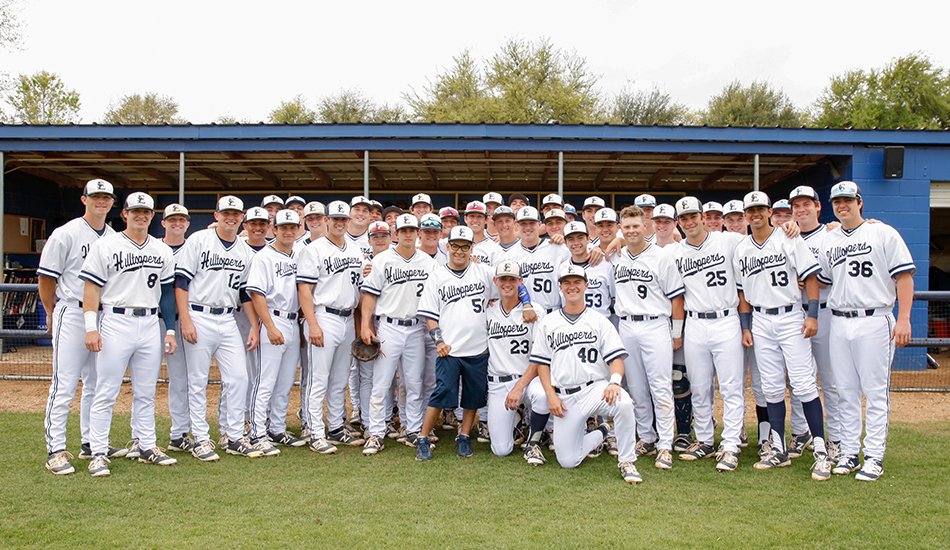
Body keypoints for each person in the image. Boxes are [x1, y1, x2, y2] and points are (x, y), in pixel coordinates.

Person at [817, 181, 915, 481]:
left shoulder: (882, 232)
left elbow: (904, 277)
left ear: (859, 202)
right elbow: (822, 280)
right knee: (844, 391)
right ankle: (849, 453)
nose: (842, 205)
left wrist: (904, 318)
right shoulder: (830, 240)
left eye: (848, 200)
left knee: (874, 392)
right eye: (837, 201)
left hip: (875, 318)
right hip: (839, 320)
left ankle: (873, 456)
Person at [732, 191, 831, 480]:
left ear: (770, 212)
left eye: (761, 209)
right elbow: (742, 293)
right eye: (751, 210)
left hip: (790, 315)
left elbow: (810, 276)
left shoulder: (788, 237)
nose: (756, 214)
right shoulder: (741, 248)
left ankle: (821, 451)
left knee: (803, 384)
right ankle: (778, 449)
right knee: (771, 387)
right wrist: (746, 326)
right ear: (746, 215)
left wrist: (812, 314)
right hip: (761, 319)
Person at [80, 192, 177, 476]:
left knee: (146, 391)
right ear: (125, 214)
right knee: (106, 391)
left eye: (146, 212)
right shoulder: (106, 245)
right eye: (135, 211)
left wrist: (170, 330)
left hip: (149, 322)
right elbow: (91, 289)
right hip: (115, 320)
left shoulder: (161, 249)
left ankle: (146, 445)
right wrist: (91, 327)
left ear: (152, 216)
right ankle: (98, 451)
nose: (141, 216)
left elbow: (167, 293)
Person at [40, 179, 121, 475]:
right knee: (64, 384)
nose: (101, 201)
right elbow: (47, 277)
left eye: (106, 197)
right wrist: (50, 311)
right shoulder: (66, 233)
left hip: (103, 314)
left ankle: (91, 443)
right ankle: (55, 450)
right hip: (73, 311)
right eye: (96, 196)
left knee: (96, 383)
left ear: (112, 202)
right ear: (84, 199)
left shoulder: (114, 237)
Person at [532, 264, 640, 483]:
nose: (572, 287)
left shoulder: (599, 321)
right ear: (560, 287)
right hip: (564, 396)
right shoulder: (548, 322)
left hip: (594, 389)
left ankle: (627, 461)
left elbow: (616, 360)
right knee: (568, 461)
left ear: (586, 285)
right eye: (567, 283)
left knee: (624, 403)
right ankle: (602, 432)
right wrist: (551, 395)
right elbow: (542, 364)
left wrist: (615, 382)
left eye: (577, 282)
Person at [176, 196, 262, 461]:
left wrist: (255, 326)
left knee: (239, 378)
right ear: (216, 216)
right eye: (226, 213)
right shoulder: (199, 240)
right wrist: (186, 320)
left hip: (227, 318)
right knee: (197, 380)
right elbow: (181, 282)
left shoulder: (245, 251)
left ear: (242, 218)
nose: (231, 217)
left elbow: (245, 294)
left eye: (236, 214)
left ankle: (233, 436)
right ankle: (201, 439)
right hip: (198, 314)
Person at [672, 197, 745, 471]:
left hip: (726, 319)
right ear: (679, 223)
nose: (689, 222)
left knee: (730, 386)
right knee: (700, 387)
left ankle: (730, 445)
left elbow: (764, 240)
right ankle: (704, 440)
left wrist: (790, 227)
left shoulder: (728, 241)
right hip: (694, 323)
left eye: (694, 216)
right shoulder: (675, 251)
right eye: (684, 218)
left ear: (704, 217)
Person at [416, 226, 499, 460]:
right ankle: (423, 437)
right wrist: (438, 341)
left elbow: (511, 283)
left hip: (478, 347)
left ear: (472, 248)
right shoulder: (437, 276)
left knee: (473, 396)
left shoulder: (484, 272)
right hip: (449, 349)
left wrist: (526, 303)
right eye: (455, 246)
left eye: (465, 246)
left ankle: (464, 436)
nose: (460, 251)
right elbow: (430, 314)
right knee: (441, 393)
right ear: (448, 246)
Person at [613, 206, 685, 470]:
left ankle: (665, 444)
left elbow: (677, 297)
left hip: (655, 324)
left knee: (660, 387)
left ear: (646, 226)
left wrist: (676, 334)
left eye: (636, 225)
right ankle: (647, 437)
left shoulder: (661, 256)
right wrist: (614, 242)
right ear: (621, 229)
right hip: (626, 325)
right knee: (636, 387)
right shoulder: (616, 256)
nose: (631, 231)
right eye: (627, 227)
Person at [360, 214, 436, 455]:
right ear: (396, 234)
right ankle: (375, 433)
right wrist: (365, 325)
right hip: (389, 326)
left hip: (416, 328)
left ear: (418, 233)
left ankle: (412, 429)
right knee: (381, 383)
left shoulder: (427, 261)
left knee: (414, 383)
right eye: (404, 231)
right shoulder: (382, 259)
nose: (408, 234)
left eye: (412, 230)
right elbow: (369, 295)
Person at [297, 201, 367, 454]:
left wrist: (360, 327)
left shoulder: (356, 251)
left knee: (339, 379)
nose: (339, 223)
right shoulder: (313, 249)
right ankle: (315, 431)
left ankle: (336, 427)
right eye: (335, 218)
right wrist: (312, 324)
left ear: (349, 221)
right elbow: (304, 289)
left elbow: (360, 290)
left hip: (347, 318)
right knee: (318, 380)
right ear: (326, 220)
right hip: (324, 316)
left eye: (343, 219)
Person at [246, 210, 306, 456]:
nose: (288, 232)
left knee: (285, 382)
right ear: (275, 230)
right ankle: (257, 433)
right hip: (274, 317)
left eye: (293, 227)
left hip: (293, 320)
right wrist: (269, 326)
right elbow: (256, 294)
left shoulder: (299, 255)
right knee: (265, 381)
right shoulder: (264, 257)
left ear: (298, 229)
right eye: (283, 227)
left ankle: (277, 429)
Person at [789, 185, 842, 461]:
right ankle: (801, 433)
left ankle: (835, 438)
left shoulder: (831, 235)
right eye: (796, 206)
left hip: (824, 311)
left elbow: (837, 274)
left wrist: (812, 278)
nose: (801, 210)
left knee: (830, 381)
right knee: (799, 380)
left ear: (818, 206)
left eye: (806, 204)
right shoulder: (787, 237)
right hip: (794, 314)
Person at [484, 260, 550, 463]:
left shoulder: (535, 311)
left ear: (520, 282)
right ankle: (517, 418)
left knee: (543, 396)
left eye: (512, 279)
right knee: (501, 449)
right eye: (503, 279)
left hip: (528, 379)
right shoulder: (488, 309)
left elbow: (540, 357)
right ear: (495, 281)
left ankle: (533, 442)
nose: (507, 283)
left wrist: (519, 386)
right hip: (499, 382)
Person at [161, 204, 195, 454]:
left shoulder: (193, 247)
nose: (177, 223)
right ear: (163, 223)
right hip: (153, 319)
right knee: (142, 381)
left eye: (181, 219)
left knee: (181, 378)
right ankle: (138, 436)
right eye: (172, 219)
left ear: (188, 224)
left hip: (184, 320)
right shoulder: (153, 247)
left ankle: (179, 433)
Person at [465, 201, 502, 266]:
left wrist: (479, 266)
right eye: (471, 216)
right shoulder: (454, 244)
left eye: (479, 217)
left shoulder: (495, 249)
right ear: (465, 219)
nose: (475, 220)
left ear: (486, 220)